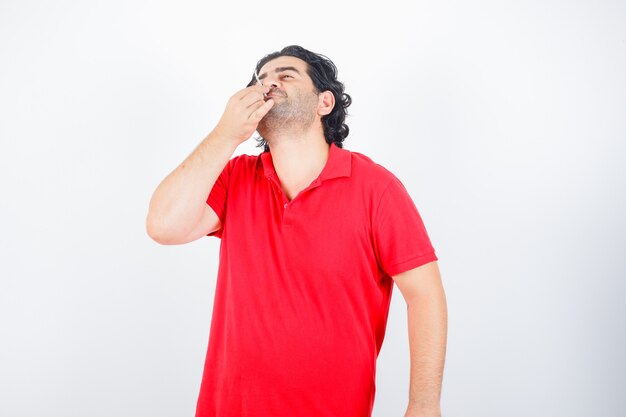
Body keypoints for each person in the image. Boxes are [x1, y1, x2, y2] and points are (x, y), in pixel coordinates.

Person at [146, 45, 448, 417]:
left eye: (285, 75)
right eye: (261, 80)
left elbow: (425, 295)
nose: (268, 84)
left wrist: (423, 406)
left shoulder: (376, 188)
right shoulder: (236, 177)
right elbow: (163, 226)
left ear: (324, 102)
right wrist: (225, 135)